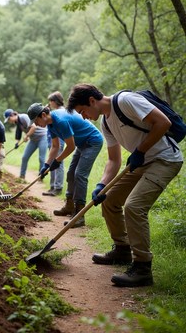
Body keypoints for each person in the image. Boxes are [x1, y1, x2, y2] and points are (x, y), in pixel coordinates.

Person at [67, 84, 183, 287]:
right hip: (142, 161)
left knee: (134, 207)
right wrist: (101, 184)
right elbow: (113, 160)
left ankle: (143, 267)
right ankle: (122, 250)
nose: (84, 117)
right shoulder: (106, 123)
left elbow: (162, 123)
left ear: (92, 101)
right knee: (110, 199)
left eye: (82, 111)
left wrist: (140, 150)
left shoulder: (125, 101)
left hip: (164, 160)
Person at [27, 102, 103, 227]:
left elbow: (71, 146)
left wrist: (57, 161)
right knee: (70, 173)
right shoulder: (50, 124)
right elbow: (55, 146)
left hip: (92, 141)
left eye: (36, 121)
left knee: (80, 175)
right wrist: (46, 165)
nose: (35, 125)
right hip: (81, 143)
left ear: (44, 115)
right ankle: (69, 206)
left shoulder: (60, 121)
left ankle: (79, 215)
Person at [3, 108, 47, 179]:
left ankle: (41, 176)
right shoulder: (17, 122)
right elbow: (18, 132)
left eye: (8, 119)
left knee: (41, 158)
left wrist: (27, 135)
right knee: (24, 157)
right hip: (33, 140)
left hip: (42, 137)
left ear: (12, 115)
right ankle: (22, 176)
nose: (9, 121)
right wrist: (17, 143)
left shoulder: (23, 117)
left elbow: (33, 127)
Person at [43, 92, 66, 196]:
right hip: (52, 141)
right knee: (52, 163)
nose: (49, 103)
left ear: (54, 101)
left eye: (50, 101)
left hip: (59, 140)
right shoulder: (54, 111)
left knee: (58, 163)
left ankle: (58, 187)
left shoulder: (61, 111)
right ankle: (52, 186)